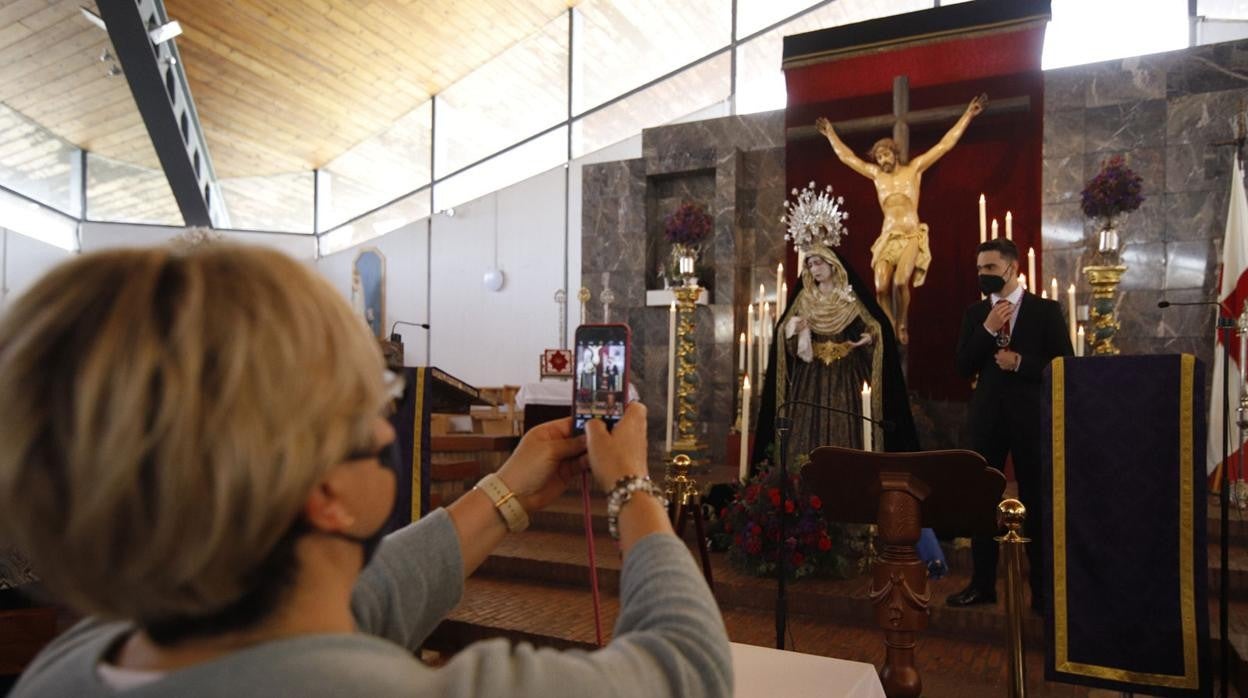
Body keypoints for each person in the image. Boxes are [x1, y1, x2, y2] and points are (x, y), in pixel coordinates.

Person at [0, 244, 731, 697]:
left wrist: (507, 491)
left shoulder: (71, 667)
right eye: (369, 397)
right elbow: (688, 668)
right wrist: (633, 485)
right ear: (322, 489)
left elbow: (351, 603)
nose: (387, 422)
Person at [946, 238, 1073, 612]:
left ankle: (1043, 591)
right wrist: (986, 329)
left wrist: (1020, 363)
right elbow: (962, 367)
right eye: (980, 269)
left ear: (1012, 268)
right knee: (982, 499)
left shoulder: (1044, 311)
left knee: (1036, 499)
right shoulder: (975, 314)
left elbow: (1062, 364)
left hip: (1031, 418)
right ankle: (982, 584)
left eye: (990, 268)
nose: (983, 275)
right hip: (987, 419)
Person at [815, 94, 986, 345]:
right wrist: (830, 133)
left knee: (899, 282)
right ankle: (889, 323)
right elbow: (848, 158)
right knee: (881, 287)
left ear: (895, 154)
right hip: (887, 237)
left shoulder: (913, 170)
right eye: (879, 157)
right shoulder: (876, 176)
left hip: (910, 234)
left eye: (886, 155)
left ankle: (902, 321)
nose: (883, 160)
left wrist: (968, 115)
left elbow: (944, 145)